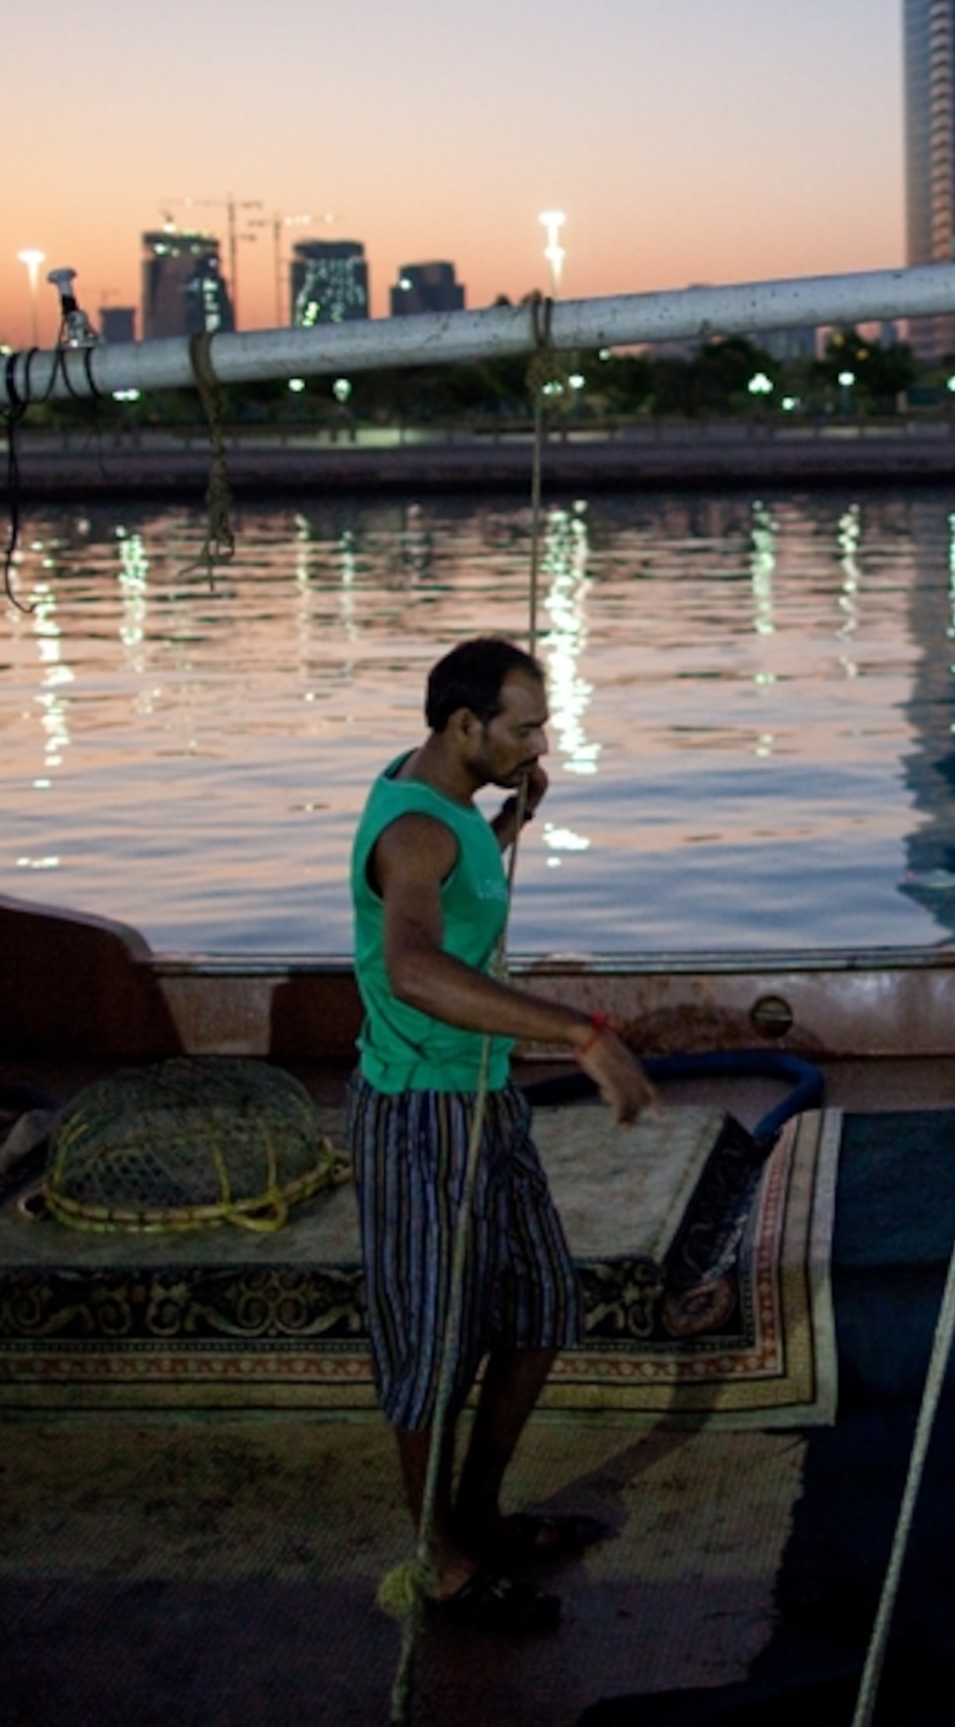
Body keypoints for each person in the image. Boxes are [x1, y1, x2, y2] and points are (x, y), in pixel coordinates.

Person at [351, 636, 656, 1635]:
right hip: (421, 1111)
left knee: (538, 1308)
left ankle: (476, 1511)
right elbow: (410, 966)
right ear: (462, 725)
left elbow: (461, 866)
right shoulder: (415, 834)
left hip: (483, 1097)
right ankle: (439, 1564)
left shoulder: (443, 795)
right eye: (522, 728)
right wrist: (581, 1033)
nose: (540, 741)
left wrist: (517, 815)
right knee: (432, 1344)